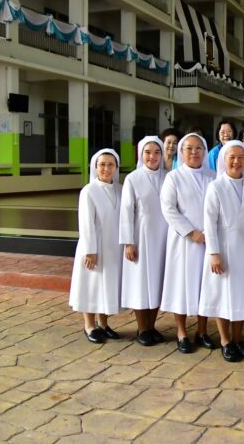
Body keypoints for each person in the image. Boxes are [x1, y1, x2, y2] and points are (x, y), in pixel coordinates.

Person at [200, 140, 244, 362]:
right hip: (223, 247)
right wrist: (213, 253)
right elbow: (209, 222)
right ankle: (225, 340)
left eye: (241, 157)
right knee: (223, 295)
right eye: (232, 157)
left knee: (241, 295)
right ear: (224, 160)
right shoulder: (216, 187)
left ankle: (238, 338)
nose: (236, 161)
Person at [160, 133, 217, 353]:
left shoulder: (213, 177)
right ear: (181, 153)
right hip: (183, 241)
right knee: (181, 286)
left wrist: (209, 233)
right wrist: (191, 232)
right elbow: (168, 208)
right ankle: (182, 332)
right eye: (189, 148)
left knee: (204, 285)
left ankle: (202, 331)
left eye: (198, 148)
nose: (194, 152)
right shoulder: (173, 177)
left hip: (208, 240)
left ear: (204, 151)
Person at [70, 149, 123, 344]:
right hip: (94, 245)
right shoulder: (89, 191)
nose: (106, 169)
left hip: (113, 246)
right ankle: (89, 325)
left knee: (106, 285)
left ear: (116, 167)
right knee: (91, 285)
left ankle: (104, 324)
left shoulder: (120, 189)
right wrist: (90, 251)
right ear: (95, 167)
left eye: (110, 165)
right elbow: (86, 224)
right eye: (102, 165)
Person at [120, 137, 168, 346]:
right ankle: (142, 328)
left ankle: (152, 326)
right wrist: (128, 242)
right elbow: (126, 211)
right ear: (141, 154)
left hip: (163, 236)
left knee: (157, 281)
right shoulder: (133, 178)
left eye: (157, 152)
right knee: (141, 282)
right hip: (141, 236)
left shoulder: (168, 176)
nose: (152, 156)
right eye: (148, 152)